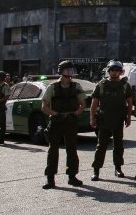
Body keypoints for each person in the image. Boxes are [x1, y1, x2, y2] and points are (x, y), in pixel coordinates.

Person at [41, 60, 86, 189]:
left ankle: (72, 176)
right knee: (53, 150)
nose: (70, 73)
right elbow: (44, 106)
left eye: (71, 70)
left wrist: (75, 113)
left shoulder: (76, 86)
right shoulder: (52, 87)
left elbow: (83, 103)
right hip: (56, 121)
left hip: (70, 121)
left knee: (72, 149)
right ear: (61, 71)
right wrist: (54, 114)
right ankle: (50, 179)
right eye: (67, 70)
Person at [90, 60, 134, 181]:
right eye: (112, 70)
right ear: (108, 71)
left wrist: (129, 117)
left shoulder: (125, 85)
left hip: (118, 119)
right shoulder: (101, 84)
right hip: (104, 119)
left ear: (120, 72)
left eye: (117, 71)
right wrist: (92, 118)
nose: (115, 73)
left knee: (118, 145)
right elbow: (94, 103)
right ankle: (96, 170)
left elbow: (130, 102)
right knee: (101, 146)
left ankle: (118, 168)